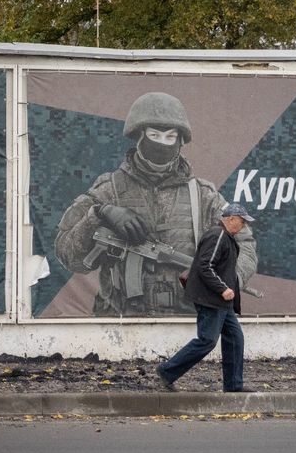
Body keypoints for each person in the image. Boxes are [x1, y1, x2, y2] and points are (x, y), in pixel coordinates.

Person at [54, 92, 257, 316]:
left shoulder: (203, 195)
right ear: (139, 135)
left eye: (170, 137)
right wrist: (99, 214)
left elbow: (243, 244)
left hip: (187, 321)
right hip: (119, 323)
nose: (162, 144)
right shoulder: (108, 189)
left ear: (180, 141)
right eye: (154, 135)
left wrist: (227, 278)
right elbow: (68, 255)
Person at [156, 203, 255, 392]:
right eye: (242, 222)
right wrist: (222, 289)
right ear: (231, 219)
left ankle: (234, 386)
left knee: (235, 339)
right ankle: (166, 371)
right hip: (211, 300)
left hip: (222, 303)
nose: (243, 226)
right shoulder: (218, 235)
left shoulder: (226, 237)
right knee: (207, 341)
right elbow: (205, 266)